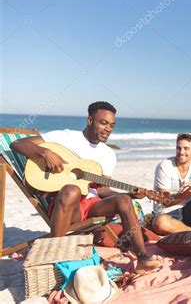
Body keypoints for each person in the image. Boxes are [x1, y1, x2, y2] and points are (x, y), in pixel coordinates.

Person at [11, 101, 161, 273]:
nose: (108, 129)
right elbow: (17, 144)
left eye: (112, 125)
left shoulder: (108, 154)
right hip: (66, 206)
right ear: (90, 120)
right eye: (103, 123)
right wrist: (46, 153)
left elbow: (102, 190)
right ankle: (53, 256)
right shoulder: (65, 137)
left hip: (92, 205)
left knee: (124, 200)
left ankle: (142, 258)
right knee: (72, 189)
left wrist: (131, 194)